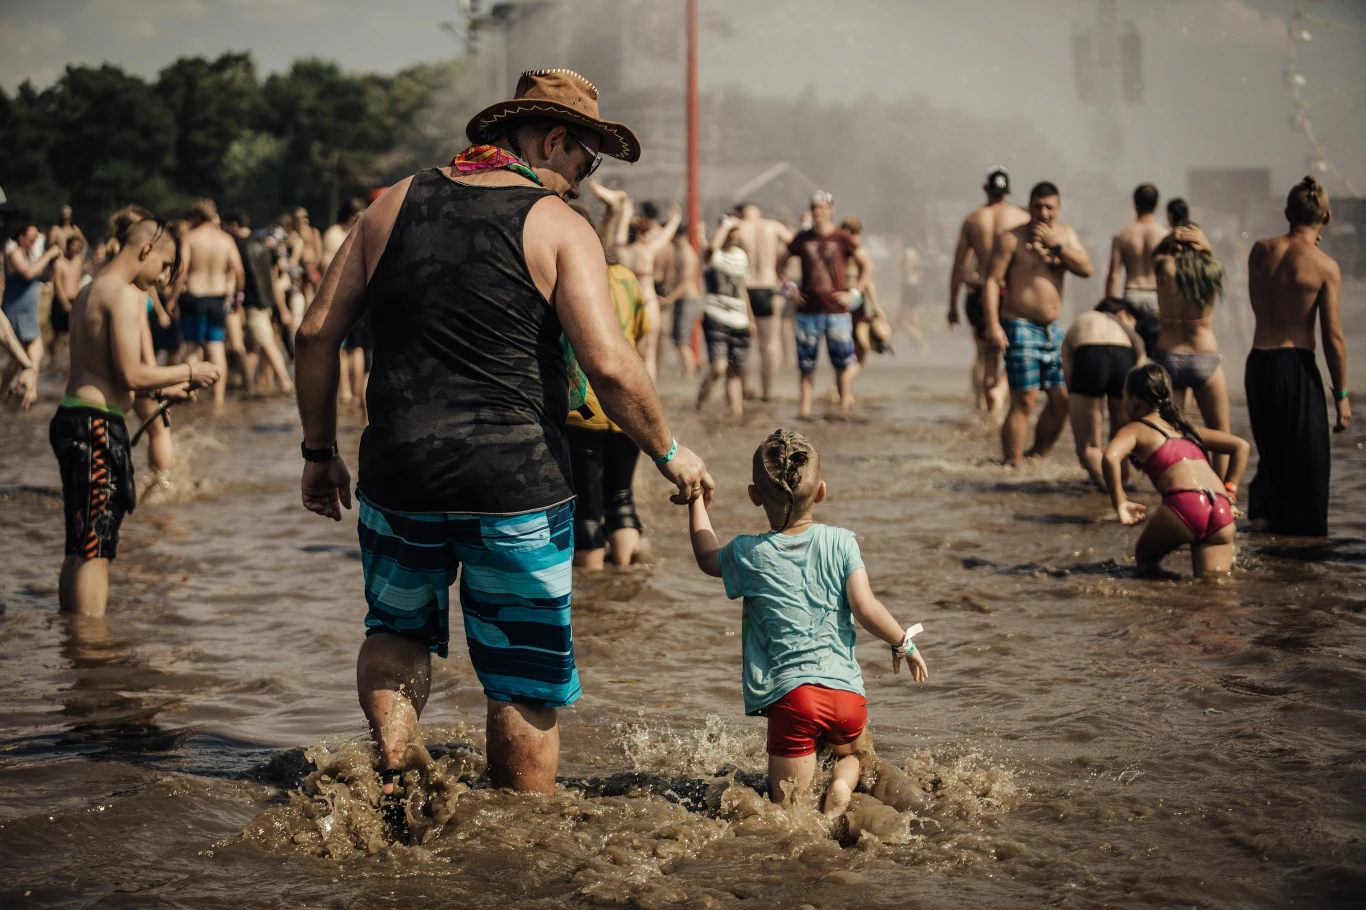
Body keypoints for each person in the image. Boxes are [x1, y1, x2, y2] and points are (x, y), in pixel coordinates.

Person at [294, 68, 714, 808]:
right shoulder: (559, 227)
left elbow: (313, 333)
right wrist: (670, 451)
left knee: (396, 630)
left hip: (399, 475)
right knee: (523, 678)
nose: (585, 181)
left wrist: (319, 452)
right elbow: (610, 365)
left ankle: (394, 747)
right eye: (588, 160)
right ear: (553, 138)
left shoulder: (391, 205)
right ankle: (517, 838)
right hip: (515, 486)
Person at [686, 429, 929, 819]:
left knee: (789, 815)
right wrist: (905, 643)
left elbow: (706, 556)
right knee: (854, 756)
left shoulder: (748, 552)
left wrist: (696, 501)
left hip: (793, 699)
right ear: (821, 492)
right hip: (846, 696)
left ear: (753, 495)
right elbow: (866, 608)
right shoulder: (842, 541)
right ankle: (842, 785)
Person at [52, 218, 220, 616]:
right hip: (96, 425)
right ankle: (93, 652)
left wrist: (165, 390)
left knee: (78, 542)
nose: (164, 278)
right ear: (146, 251)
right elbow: (132, 373)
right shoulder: (125, 296)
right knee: (97, 548)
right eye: (165, 266)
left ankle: (71, 639)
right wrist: (190, 371)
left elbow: (109, 373)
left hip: (73, 417)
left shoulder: (90, 289)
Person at [1245, 176, 1350, 537]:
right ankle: (1303, 560)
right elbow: (1332, 336)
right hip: (1296, 367)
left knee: (1272, 460)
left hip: (1258, 363)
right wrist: (1341, 396)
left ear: (1287, 212)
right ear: (1327, 216)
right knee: (1309, 467)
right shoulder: (1325, 266)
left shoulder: (1260, 250)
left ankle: (1261, 529)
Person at [565, 204, 653, 569]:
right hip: (627, 403)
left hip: (582, 407)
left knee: (586, 507)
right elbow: (641, 333)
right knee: (621, 496)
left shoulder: (566, 279)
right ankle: (622, 577)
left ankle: (597, 599)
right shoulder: (627, 279)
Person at [1102, 364, 1250, 577]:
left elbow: (1110, 457)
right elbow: (1241, 446)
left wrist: (1120, 502)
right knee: (1216, 587)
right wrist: (1230, 492)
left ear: (1134, 400)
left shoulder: (1134, 429)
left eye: (1124, 395)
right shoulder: (1185, 428)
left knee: (1146, 558)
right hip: (1220, 508)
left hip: (1185, 504)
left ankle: (1164, 605)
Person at [983, 181, 1094, 466]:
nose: (1043, 213)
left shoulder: (1066, 234)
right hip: (1018, 323)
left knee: (1062, 399)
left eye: (1049, 207)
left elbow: (1086, 268)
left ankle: (1037, 456)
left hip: (1051, 329)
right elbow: (993, 281)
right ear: (1029, 207)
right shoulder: (1011, 238)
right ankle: (1012, 465)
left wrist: (1057, 247)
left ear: (1058, 209)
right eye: (1038, 206)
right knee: (1026, 398)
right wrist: (993, 324)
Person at [1149, 222, 1232, 475]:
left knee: (1171, 429)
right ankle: (1224, 490)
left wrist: (1168, 239)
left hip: (1169, 356)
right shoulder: (1211, 269)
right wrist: (1206, 245)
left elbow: (1154, 255)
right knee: (1221, 432)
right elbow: (1213, 262)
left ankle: (1178, 482)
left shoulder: (1165, 268)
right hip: (1205, 356)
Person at [949, 168, 1032, 412]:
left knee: (984, 353)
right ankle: (1001, 390)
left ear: (985, 189)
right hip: (1011, 292)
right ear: (1007, 190)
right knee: (1016, 348)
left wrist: (952, 303)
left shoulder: (974, 219)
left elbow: (958, 266)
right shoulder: (1020, 218)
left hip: (981, 292)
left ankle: (983, 408)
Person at [777, 192, 866, 417]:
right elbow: (779, 266)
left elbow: (867, 265)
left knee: (843, 363)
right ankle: (805, 410)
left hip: (837, 311)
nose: (819, 212)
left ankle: (844, 405)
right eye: (815, 207)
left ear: (831, 210)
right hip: (808, 311)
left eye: (823, 208)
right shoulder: (802, 238)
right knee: (806, 365)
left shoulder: (842, 238)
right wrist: (790, 289)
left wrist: (854, 293)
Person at [590, 184, 680, 382]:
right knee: (649, 354)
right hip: (648, 302)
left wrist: (626, 212)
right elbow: (665, 237)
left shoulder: (622, 250)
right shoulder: (647, 251)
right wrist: (674, 221)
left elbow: (620, 235)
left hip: (625, 305)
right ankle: (650, 392)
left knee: (628, 351)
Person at [1061, 297, 1146, 490]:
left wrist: (1076, 395)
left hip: (1089, 353)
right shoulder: (1125, 331)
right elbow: (1141, 356)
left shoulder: (1084, 319)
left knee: (1089, 445)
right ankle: (1125, 481)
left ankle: (1108, 489)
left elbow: (1067, 363)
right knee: (1121, 433)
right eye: (1135, 321)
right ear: (1123, 314)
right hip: (1123, 356)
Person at [178, 199, 244, 408]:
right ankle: (218, 401)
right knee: (216, 349)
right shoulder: (226, 240)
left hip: (194, 297)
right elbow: (239, 272)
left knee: (192, 349)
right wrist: (237, 298)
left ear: (196, 216)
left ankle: (191, 397)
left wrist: (171, 300)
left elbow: (182, 272)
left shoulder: (189, 238)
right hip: (218, 297)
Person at [224, 212, 294, 397]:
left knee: (266, 342)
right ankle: (250, 384)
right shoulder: (264, 243)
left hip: (252, 302)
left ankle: (286, 382)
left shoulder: (238, 245)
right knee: (253, 345)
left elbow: (238, 274)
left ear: (234, 224)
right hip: (267, 300)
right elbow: (275, 272)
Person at [733, 202, 795, 400]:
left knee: (744, 342)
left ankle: (744, 387)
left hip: (745, 288)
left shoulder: (739, 226)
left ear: (743, 214)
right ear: (759, 212)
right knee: (769, 344)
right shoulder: (773, 226)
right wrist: (779, 265)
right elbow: (794, 245)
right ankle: (767, 391)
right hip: (768, 286)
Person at [698, 217, 753, 418]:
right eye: (731, 232)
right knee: (719, 367)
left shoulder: (742, 256)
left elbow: (742, 289)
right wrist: (726, 224)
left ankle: (735, 413)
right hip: (716, 317)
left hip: (739, 319)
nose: (735, 235)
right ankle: (700, 406)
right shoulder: (714, 255)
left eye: (737, 231)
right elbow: (711, 247)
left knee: (735, 371)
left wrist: (751, 319)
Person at [2, 224, 62, 408]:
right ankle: (7, 390)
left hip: (29, 313)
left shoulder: (31, 256)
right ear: (20, 236)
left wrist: (52, 263)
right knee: (16, 356)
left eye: (37, 237)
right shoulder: (14, 253)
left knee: (36, 351)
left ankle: (28, 390)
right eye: (31, 236)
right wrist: (48, 255)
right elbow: (28, 273)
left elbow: (41, 274)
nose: (34, 240)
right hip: (15, 312)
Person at [1106, 184, 1167, 356]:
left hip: (1131, 293)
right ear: (1157, 205)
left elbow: (1113, 275)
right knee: (1157, 350)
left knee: (1132, 349)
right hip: (1156, 295)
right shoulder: (1163, 235)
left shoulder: (1123, 235)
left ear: (1134, 203)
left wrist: (1110, 309)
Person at [660, 226, 700, 379]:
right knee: (678, 339)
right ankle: (687, 371)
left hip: (687, 300)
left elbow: (686, 283)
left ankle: (689, 374)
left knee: (682, 340)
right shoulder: (679, 252)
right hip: (682, 300)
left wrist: (669, 299)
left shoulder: (687, 254)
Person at [51, 235, 89, 370]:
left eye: (77, 246)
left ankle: (73, 362)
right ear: (67, 246)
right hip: (61, 300)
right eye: (73, 245)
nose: (76, 248)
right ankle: (52, 360)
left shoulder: (78, 260)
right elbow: (58, 284)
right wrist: (64, 302)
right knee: (57, 333)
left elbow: (85, 245)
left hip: (75, 298)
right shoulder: (60, 262)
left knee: (75, 332)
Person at [899, 242, 926, 350]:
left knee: (903, 321)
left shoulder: (909, 252)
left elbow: (907, 269)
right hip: (915, 286)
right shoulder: (917, 252)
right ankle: (919, 346)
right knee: (913, 319)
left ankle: (921, 343)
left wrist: (901, 265)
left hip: (909, 287)